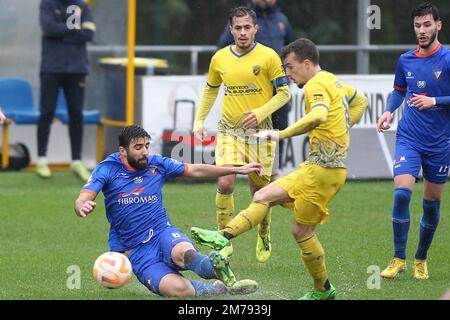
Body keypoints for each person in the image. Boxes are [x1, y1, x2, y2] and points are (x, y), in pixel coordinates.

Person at [191, 38, 369, 300]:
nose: (287, 73)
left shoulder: (316, 85)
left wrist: (281, 134)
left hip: (322, 172)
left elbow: (319, 115)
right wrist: (339, 131)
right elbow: (361, 102)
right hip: (320, 168)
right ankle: (223, 237)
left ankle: (323, 290)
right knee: (266, 198)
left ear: (306, 64)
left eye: (290, 67)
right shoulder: (333, 80)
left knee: (298, 226)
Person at [74, 125, 261, 297]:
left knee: (183, 252)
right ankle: (216, 289)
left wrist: (238, 169)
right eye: (138, 147)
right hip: (135, 252)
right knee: (178, 290)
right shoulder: (107, 169)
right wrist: (82, 205)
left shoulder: (157, 164)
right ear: (123, 151)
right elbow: (84, 196)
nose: (145, 151)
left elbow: (194, 170)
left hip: (162, 233)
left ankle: (215, 268)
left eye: (147, 145)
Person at [193, 6, 291, 263]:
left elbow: (284, 93)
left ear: (256, 28)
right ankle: (222, 240)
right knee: (225, 181)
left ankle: (264, 231)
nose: (243, 32)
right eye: (238, 27)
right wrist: (199, 121)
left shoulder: (269, 56)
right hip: (229, 131)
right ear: (231, 29)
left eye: (248, 27)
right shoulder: (220, 58)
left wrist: (260, 113)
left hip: (261, 134)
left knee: (260, 192)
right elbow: (211, 90)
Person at [376, 2, 450, 281]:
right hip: (409, 137)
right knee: (402, 193)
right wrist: (387, 110)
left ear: (438, 25)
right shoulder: (405, 60)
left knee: (431, 204)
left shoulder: (448, 59)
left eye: (427, 24)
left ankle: (421, 258)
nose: (422, 30)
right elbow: (399, 91)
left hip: (441, 142)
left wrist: (435, 101)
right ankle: (398, 258)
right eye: (418, 25)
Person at [217, 0, 294, 173]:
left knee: (278, 129)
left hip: (278, 87)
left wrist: (290, 73)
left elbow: (291, 50)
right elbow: (222, 48)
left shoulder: (282, 19)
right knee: (246, 128)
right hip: (252, 90)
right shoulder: (243, 20)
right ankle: (238, 167)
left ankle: (274, 170)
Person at [37, 0, 96, 181]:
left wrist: (62, 32)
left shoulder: (82, 5)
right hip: (51, 69)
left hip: (77, 70)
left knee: (76, 114)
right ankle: (42, 159)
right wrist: (74, 29)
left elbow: (89, 33)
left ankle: (76, 161)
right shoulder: (47, 4)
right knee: (47, 112)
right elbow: (48, 28)